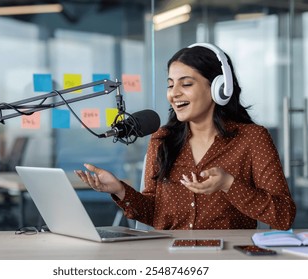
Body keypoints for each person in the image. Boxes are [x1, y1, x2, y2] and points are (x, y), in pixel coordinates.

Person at [75, 43, 296, 230]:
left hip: (228, 261)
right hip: (171, 261)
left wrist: (229, 185)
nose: (174, 93)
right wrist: (120, 190)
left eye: (186, 84)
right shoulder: (162, 139)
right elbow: (154, 212)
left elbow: (284, 216)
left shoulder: (252, 138)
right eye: (170, 85)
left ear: (219, 88)